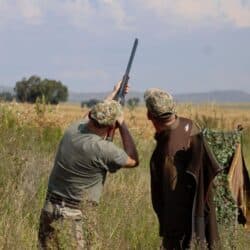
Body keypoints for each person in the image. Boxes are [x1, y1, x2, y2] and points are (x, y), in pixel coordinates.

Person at [38, 81, 139, 250]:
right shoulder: (103, 148)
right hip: (74, 217)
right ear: (111, 126)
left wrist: (114, 93)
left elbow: (88, 115)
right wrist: (121, 123)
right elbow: (133, 160)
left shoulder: (73, 129)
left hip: (49, 209)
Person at [144, 88, 222, 250]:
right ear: (173, 110)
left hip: (181, 228)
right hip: (202, 217)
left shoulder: (167, 152)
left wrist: (170, 233)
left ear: (149, 116)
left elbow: (170, 198)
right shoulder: (190, 125)